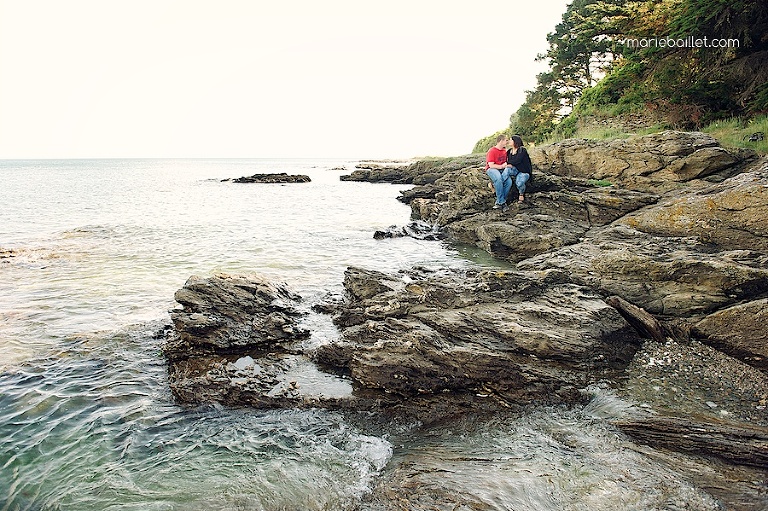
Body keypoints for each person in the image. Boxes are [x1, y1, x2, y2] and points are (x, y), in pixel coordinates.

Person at [485, 134, 512, 211]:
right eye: (505, 140)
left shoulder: (504, 151)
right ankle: (502, 202)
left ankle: (500, 202)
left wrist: (506, 165)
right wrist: (501, 167)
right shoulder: (492, 151)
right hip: (492, 169)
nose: (507, 142)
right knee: (498, 178)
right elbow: (491, 165)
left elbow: (507, 161)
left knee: (509, 182)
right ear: (501, 141)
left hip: (502, 169)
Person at [505, 135, 532, 203]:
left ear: (515, 141)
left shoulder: (522, 150)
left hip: (524, 171)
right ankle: (497, 184)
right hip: (515, 169)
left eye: (511, 140)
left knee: (519, 183)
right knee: (506, 170)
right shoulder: (509, 151)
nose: (509, 141)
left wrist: (507, 163)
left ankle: (521, 194)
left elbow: (518, 160)